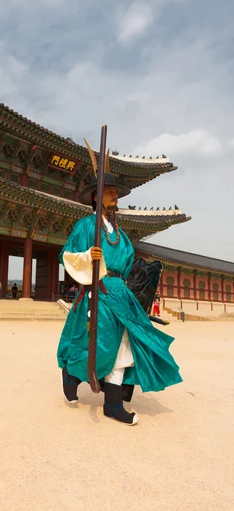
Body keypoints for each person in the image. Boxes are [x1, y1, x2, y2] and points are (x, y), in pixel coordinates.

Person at [57, 173, 182, 426]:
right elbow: (66, 255)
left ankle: (112, 404)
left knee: (125, 343)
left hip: (121, 292)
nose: (116, 195)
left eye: (116, 192)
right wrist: (86, 256)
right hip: (98, 288)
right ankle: (71, 374)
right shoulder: (85, 226)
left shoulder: (119, 233)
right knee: (100, 343)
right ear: (96, 196)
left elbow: (128, 264)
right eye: (110, 191)